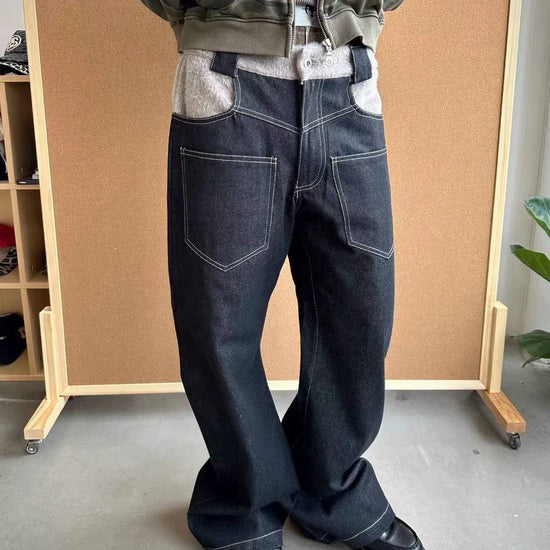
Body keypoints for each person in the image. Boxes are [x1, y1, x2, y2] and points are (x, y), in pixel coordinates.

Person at [139, 1, 425, 549]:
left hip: (349, 81)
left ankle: (330, 490)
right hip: (227, 81)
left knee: (360, 316)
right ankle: (243, 503)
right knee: (220, 322)